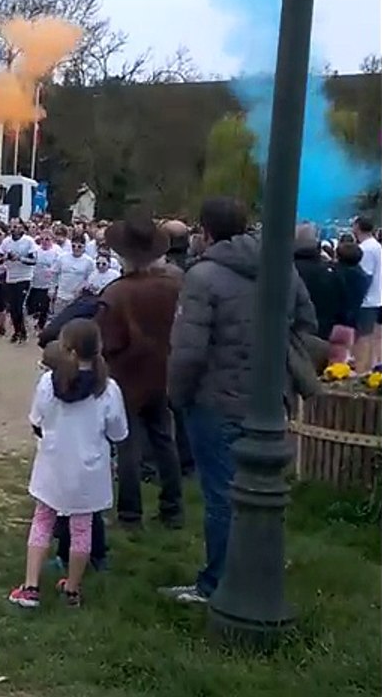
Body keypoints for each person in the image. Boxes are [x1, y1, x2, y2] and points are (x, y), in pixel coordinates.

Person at [164, 197, 318, 605]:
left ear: (206, 231)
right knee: (263, 492)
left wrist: (177, 396)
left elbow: (189, 350)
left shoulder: (203, 276)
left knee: (221, 496)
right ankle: (258, 574)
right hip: (269, 401)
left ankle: (219, 584)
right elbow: (308, 323)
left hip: (215, 400)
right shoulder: (281, 268)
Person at [9, 319, 128, 609]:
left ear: (66, 349)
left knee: (42, 521)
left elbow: (36, 420)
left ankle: (31, 586)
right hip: (89, 469)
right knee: (82, 528)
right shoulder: (108, 388)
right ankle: (72, 590)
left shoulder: (50, 384)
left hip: (53, 463)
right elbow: (118, 432)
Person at [95, 216, 185, 530]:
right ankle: (173, 508)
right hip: (163, 370)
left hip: (126, 377)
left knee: (128, 446)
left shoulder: (116, 294)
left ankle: (130, 515)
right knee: (165, 440)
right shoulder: (175, 285)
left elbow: (108, 342)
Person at [293, 224, 346, 343]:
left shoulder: (286, 271)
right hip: (324, 333)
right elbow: (342, 301)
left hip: (293, 336)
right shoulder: (332, 271)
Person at [332, 242, 371, 365]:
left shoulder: (335, 274)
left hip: (334, 321)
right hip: (352, 321)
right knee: (343, 358)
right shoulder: (363, 277)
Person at [352, 215, 382, 372]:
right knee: (371, 337)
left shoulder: (366, 249)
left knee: (362, 338)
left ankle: (360, 369)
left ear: (357, 227)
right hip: (375, 298)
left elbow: (365, 275)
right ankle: (369, 367)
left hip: (366, 300)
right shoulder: (376, 246)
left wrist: (356, 297)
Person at [0, 220, 37, 344]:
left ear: (22, 227)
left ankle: (22, 332)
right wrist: (6, 257)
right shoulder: (6, 242)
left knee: (20, 305)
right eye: (12, 226)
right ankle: (17, 330)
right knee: (12, 307)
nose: (14, 229)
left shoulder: (28, 241)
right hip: (11, 277)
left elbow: (34, 260)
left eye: (16, 226)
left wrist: (19, 258)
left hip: (24, 277)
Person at [27, 230, 61, 333]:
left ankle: (41, 326)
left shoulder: (57, 251)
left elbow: (58, 268)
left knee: (44, 306)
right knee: (31, 305)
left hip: (49, 284)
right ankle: (34, 321)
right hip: (36, 282)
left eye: (47, 239)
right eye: (42, 239)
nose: (44, 242)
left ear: (52, 240)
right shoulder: (36, 251)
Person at [50, 238, 93, 316]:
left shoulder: (89, 261)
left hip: (77, 298)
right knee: (58, 319)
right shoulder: (62, 257)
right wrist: (52, 289)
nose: (76, 248)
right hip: (61, 295)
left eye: (79, 246)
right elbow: (54, 273)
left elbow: (90, 278)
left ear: (84, 247)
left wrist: (82, 287)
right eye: (73, 246)